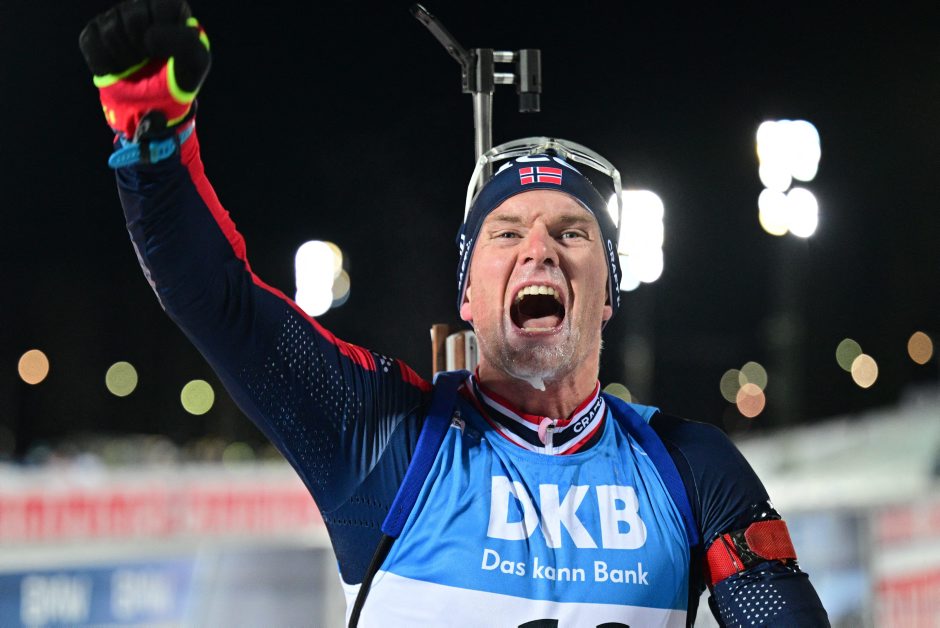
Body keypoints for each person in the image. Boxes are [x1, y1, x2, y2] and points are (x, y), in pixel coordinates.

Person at [79, 1, 830, 626]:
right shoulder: (384, 437)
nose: (539, 249)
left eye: (573, 233)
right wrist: (154, 138)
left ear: (608, 293)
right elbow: (216, 301)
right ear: (467, 294)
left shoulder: (690, 465)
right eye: (506, 233)